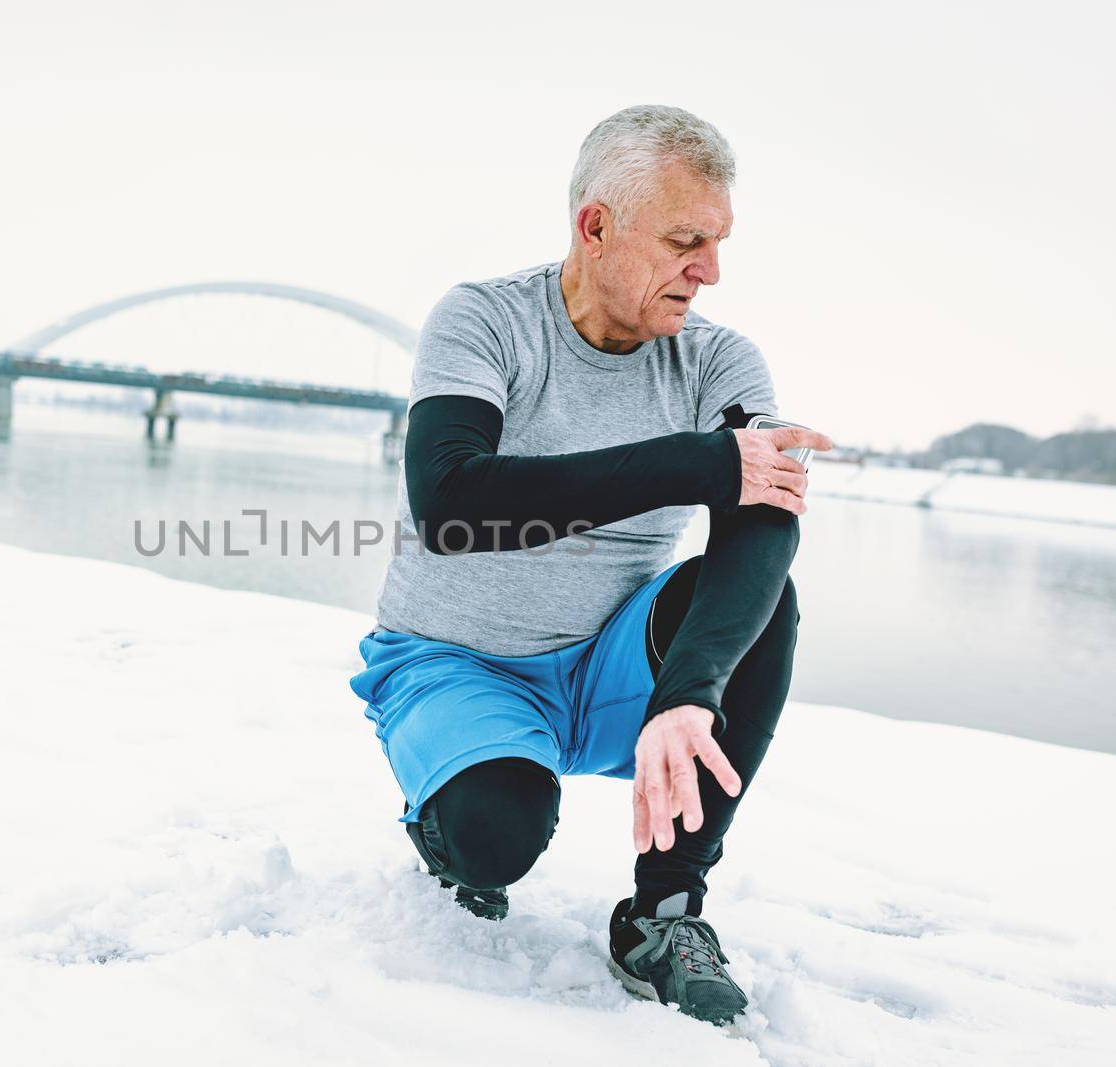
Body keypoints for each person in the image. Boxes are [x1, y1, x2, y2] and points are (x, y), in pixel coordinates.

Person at [348, 104, 834, 1025]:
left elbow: (762, 519)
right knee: (497, 836)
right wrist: (694, 463)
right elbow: (450, 504)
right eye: (686, 240)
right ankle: (447, 820)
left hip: (612, 663)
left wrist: (690, 688)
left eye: (720, 242)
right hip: (455, 661)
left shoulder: (721, 360)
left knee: (766, 597)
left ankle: (664, 911)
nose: (710, 271)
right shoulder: (483, 319)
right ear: (597, 226)